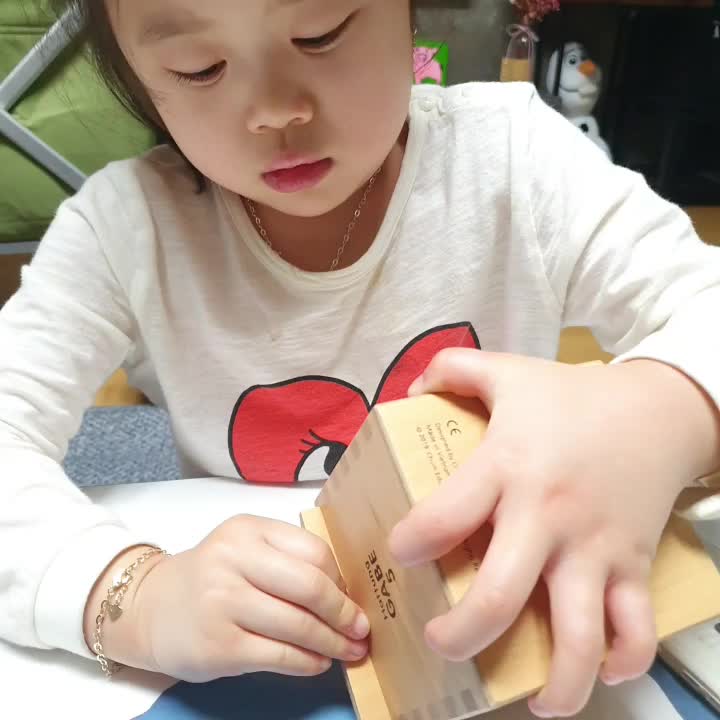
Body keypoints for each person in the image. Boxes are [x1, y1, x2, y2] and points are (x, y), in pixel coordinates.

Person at [1, 1, 719, 717]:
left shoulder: (515, 158)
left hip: (497, 641)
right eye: (200, 68)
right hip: (270, 671)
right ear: (138, 76)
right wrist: (130, 597)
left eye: (320, 35)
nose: (275, 111)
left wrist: (663, 408)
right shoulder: (124, 231)